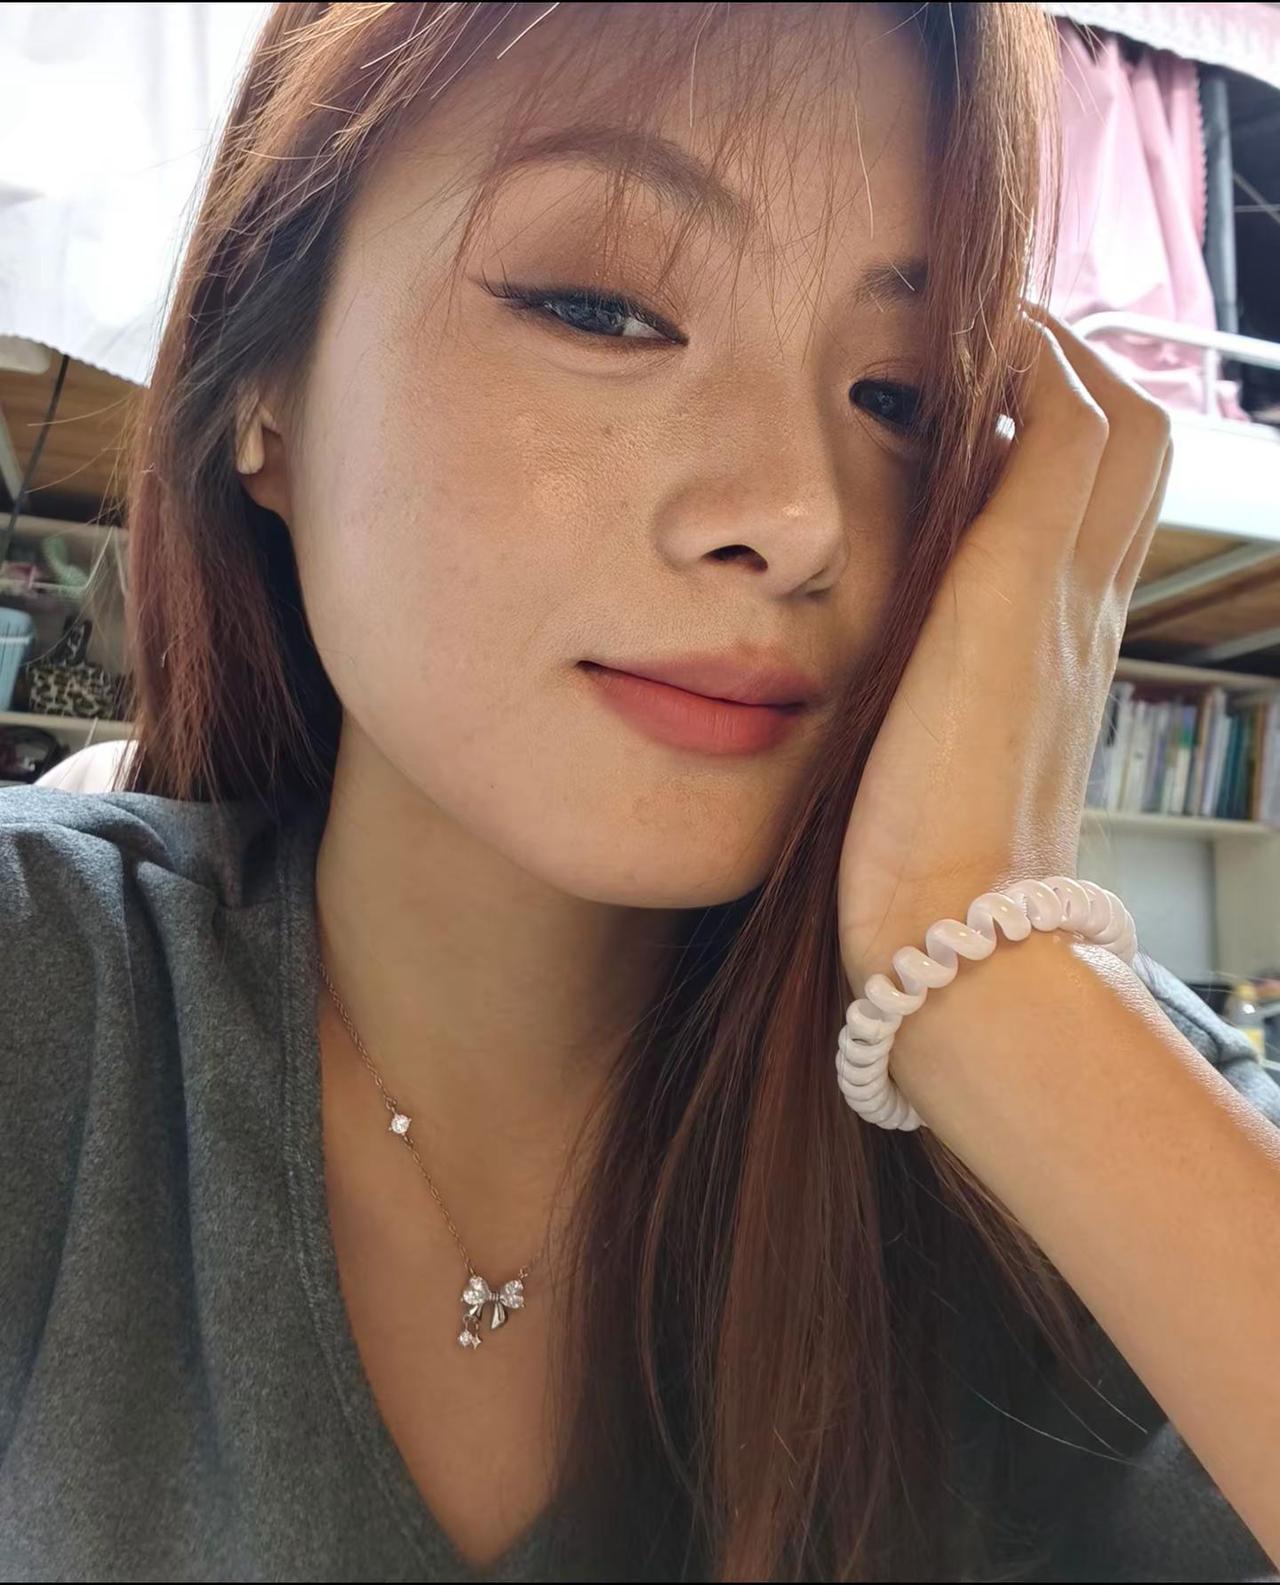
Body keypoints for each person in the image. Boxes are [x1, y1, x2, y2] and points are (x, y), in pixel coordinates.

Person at [1, 4, 1278, 1580]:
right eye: (601, 308)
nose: (799, 515)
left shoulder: (1099, 1105)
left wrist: (992, 987)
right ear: (268, 386)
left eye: (900, 396)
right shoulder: (50, 994)